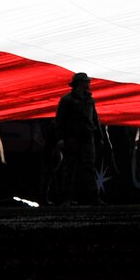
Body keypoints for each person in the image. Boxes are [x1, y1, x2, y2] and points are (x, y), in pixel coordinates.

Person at [53, 73, 101, 205]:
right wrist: (61, 138)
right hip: (72, 138)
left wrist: (99, 136)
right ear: (80, 83)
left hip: (87, 137)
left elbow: (95, 119)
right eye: (86, 82)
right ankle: (66, 198)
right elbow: (59, 121)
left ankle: (93, 198)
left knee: (89, 168)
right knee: (69, 167)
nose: (89, 84)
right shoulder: (66, 100)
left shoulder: (90, 100)